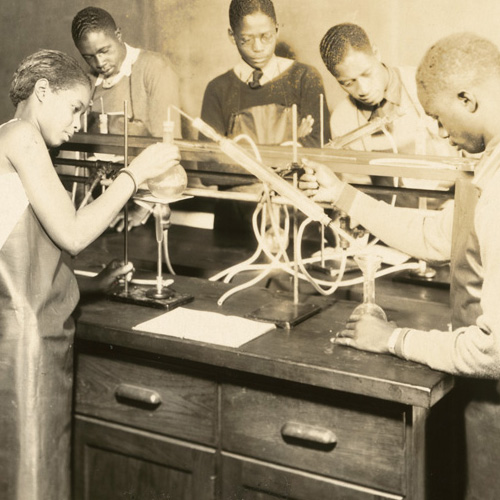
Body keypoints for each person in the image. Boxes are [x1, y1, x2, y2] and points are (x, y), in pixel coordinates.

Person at [300, 33, 500, 500]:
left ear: (467, 99)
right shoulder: (486, 164)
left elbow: (491, 351)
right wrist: (344, 196)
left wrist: (390, 340)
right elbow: (440, 235)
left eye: (438, 118)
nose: (437, 132)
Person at [0, 49, 180, 500]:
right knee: (34, 483)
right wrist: (135, 175)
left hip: (18, 337)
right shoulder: (23, 136)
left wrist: (89, 285)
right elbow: (75, 234)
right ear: (42, 92)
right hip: (27, 348)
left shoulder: (6, 137)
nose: (79, 124)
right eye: (76, 108)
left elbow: (16, 261)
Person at [200, 0, 330, 239]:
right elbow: (208, 169)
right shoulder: (218, 89)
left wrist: (237, 155)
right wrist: (291, 147)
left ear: (277, 30)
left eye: (266, 37)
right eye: (246, 39)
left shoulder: (305, 79)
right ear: (232, 35)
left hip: (297, 225)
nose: (258, 47)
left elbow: (321, 153)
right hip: (236, 226)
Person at [319, 23, 456, 207]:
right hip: (391, 219)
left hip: (449, 208)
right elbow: (357, 189)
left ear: (376, 53)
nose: (363, 90)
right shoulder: (342, 119)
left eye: (366, 73)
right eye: (347, 83)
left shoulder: (423, 83)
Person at [71, 6, 181, 229]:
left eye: (105, 51)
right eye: (89, 57)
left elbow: (168, 149)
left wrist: (142, 209)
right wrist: (89, 203)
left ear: (118, 35)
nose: (100, 63)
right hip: (100, 203)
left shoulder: (154, 69)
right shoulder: (87, 81)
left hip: (147, 204)